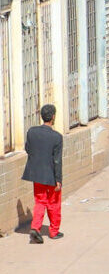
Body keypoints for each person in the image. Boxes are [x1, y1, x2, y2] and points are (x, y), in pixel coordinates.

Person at [21, 101, 62, 243]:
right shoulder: (57, 137)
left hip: (36, 174)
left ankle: (35, 228)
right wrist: (58, 179)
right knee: (53, 203)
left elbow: (28, 149)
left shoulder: (32, 132)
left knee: (40, 201)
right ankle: (53, 231)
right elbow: (57, 160)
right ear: (53, 117)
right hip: (50, 175)